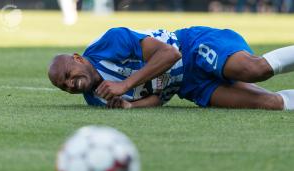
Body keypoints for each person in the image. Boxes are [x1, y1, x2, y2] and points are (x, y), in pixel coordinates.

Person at [48, 26, 294, 110]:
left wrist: (125, 85)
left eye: (68, 76)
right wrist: (130, 105)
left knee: (255, 70)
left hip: (192, 47)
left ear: (78, 58)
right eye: (63, 86)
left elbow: (170, 53)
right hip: (189, 86)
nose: (70, 85)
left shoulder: (109, 43)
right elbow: (157, 99)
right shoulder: (95, 100)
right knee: (272, 104)